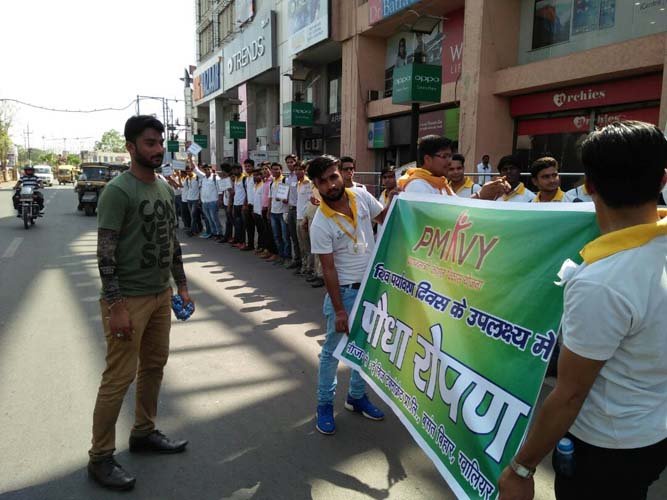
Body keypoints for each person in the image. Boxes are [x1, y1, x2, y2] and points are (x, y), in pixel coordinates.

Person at [498, 120, 667, 500]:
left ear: (588, 186)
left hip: (605, 448)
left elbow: (569, 395)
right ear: (662, 179)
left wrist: (521, 469)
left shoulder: (600, 282)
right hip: (653, 436)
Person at [88, 115, 193, 491]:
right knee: (118, 378)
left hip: (160, 294)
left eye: (160, 142)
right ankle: (100, 456)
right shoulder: (118, 192)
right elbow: (105, 253)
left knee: (153, 366)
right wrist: (116, 305)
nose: (158, 149)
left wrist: (181, 286)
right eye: (150, 143)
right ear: (131, 147)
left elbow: (171, 241)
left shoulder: (163, 188)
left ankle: (144, 432)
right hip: (128, 299)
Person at [308, 155, 396, 435]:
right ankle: (324, 404)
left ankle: (356, 397)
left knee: (365, 348)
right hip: (345, 293)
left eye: (333, 176)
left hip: (372, 287)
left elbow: (385, 218)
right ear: (316, 186)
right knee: (332, 353)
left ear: (340, 174)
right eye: (323, 182)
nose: (331, 185)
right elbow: (328, 269)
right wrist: (339, 310)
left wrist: (398, 200)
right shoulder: (320, 223)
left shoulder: (361, 195)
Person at [399, 135, 507, 199]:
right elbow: (445, 215)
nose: (449, 161)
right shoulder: (417, 185)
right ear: (427, 159)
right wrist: (480, 195)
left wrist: (493, 191)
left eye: (450, 156)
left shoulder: (441, 184)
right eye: (444, 156)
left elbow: (456, 205)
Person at [193, 162, 224, 241]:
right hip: (204, 202)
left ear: (211, 169)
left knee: (214, 218)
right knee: (209, 219)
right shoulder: (203, 178)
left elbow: (220, 190)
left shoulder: (216, 178)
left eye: (208, 169)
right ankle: (214, 233)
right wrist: (190, 159)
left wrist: (220, 200)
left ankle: (219, 233)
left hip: (213, 201)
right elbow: (195, 169)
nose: (207, 170)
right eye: (205, 169)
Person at [295, 161, 314, 277]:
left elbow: (310, 203)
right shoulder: (299, 183)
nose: (298, 171)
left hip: (305, 218)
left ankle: (310, 268)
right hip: (298, 216)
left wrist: (306, 218)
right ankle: (304, 265)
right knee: (301, 244)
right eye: (296, 169)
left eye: (300, 169)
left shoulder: (309, 184)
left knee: (308, 245)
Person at [269, 162, 290, 265]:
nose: (275, 171)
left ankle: (287, 257)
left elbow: (288, 197)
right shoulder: (272, 182)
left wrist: (284, 199)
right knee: (277, 236)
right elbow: (270, 198)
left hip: (283, 212)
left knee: (285, 237)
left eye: (277, 169)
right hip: (273, 212)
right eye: (273, 169)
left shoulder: (285, 180)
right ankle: (280, 256)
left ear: (281, 170)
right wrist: (269, 210)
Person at [285, 154, 302, 269]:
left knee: (301, 238)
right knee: (293, 237)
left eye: (292, 162)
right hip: (290, 209)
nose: (290, 164)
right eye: (288, 162)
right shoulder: (288, 177)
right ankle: (297, 259)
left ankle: (304, 263)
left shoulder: (300, 177)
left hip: (299, 210)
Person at [241, 159, 256, 251]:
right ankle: (250, 244)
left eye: (249, 166)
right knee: (249, 226)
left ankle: (261, 247)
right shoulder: (246, 178)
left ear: (253, 166)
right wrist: (245, 204)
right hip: (249, 205)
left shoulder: (255, 177)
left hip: (256, 206)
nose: (247, 168)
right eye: (246, 166)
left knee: (259, 228)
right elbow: (247, 192)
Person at [231, 163, 247, 247]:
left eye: (235, 170)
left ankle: (243, 242)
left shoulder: (244, 178)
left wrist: (244, 204)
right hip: (236, 204)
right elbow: (235, 192)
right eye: (233, 170)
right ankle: (238, 240)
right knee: (237, 224)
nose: (234, 171)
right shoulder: (236, 178)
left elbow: (247, 192)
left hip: (242, 204)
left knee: (242, 225)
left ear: (240, 169)